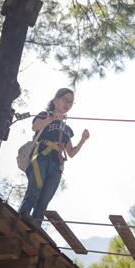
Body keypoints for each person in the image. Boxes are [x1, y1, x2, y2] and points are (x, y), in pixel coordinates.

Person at [19, 88, 90, 224]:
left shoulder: (67, 129)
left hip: (57, 165)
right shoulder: (44, 115)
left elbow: (71, 152)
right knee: (34, 192)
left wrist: (82, 140)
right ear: (56, 100)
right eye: (65, 100)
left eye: (71, 102)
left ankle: (35, 227)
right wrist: (51, 118)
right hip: (41, 158)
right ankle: (21, 219)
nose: (68, 104)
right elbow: (35, 127)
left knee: (44, 200)